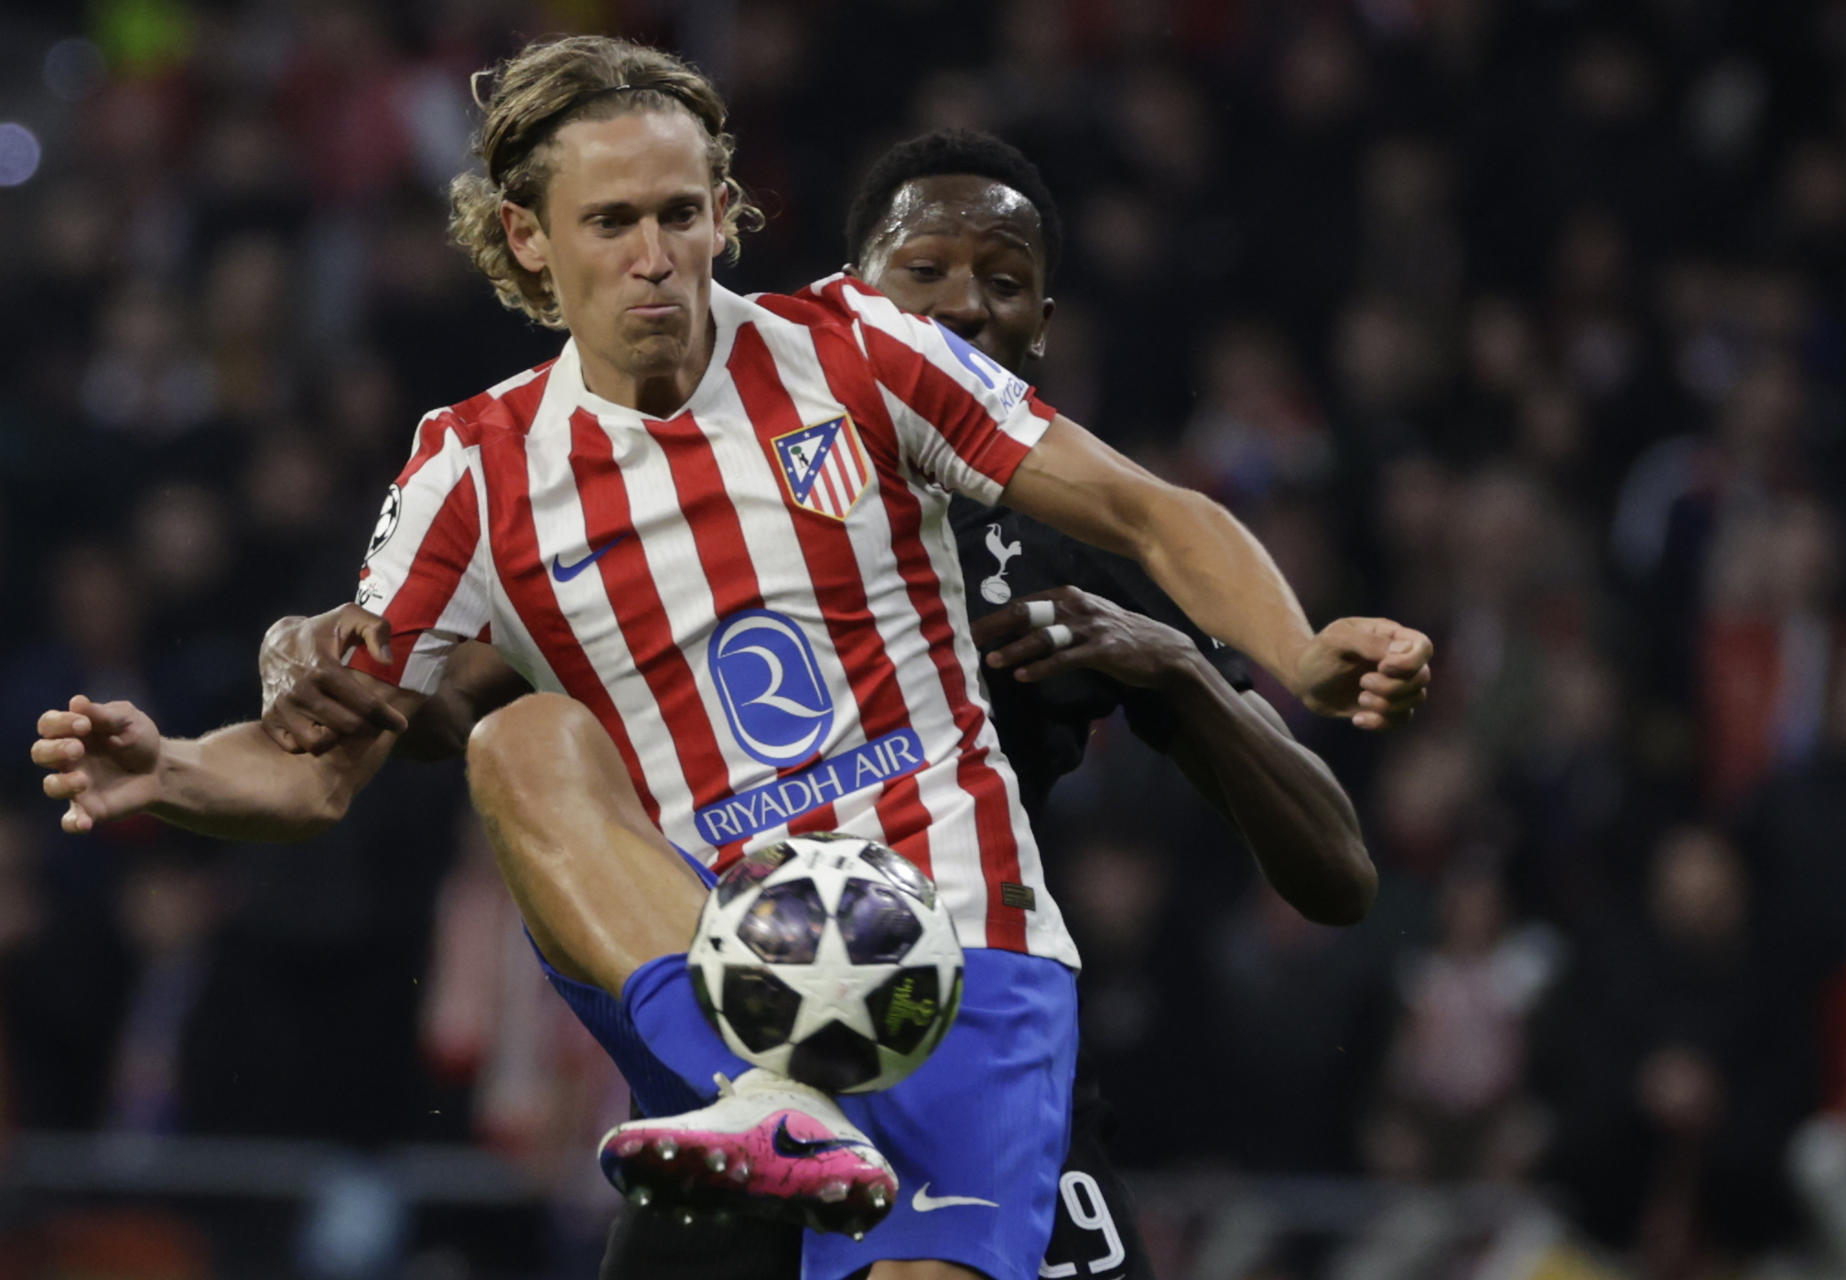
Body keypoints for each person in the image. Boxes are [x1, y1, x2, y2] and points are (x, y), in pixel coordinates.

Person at [31, 36, 1432, 1280]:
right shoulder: (474, 466)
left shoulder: (862, 352)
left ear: (724, 218)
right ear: (529, 240)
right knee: (520, 738)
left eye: (682, 214)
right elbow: (319, 765)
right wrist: (170, 770)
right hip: (724, 997)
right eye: (614, 220)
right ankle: (757, 1093)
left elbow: (1144, 507)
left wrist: (1296, 650)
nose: (654, 251)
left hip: (962, 957)